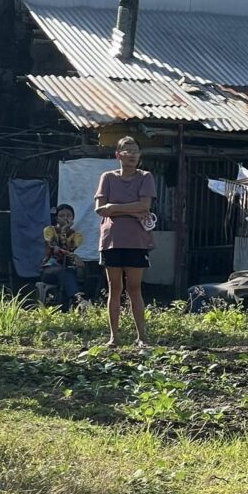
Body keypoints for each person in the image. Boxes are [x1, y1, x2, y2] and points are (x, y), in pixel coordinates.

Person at [94, 136, 155, 348]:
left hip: (137, 240)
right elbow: (100, 208)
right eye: (127, 150)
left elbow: (145, 206)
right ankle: (114, 338)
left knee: (135, 287)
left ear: (140, 155)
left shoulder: (146, 177)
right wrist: (131, 210)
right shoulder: (107, 177)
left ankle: (142, 337)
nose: (131, 154)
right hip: (111, 239)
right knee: (115, 287)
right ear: (118, 155)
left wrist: (115, 208)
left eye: (135, 150)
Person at [41, 204, 84, 312]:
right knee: (63, 272)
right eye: (62, 216)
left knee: (73, 273)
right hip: (49, 269)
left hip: (67, 268)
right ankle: (78, 300)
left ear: (73, 218)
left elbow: (69, 250)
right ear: (56, 218)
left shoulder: (77, 236)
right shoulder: (49, 230)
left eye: (69, 216)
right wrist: (64, 231)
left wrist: (71, 255)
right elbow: (54, 248)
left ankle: (67, 309)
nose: (65, 218)